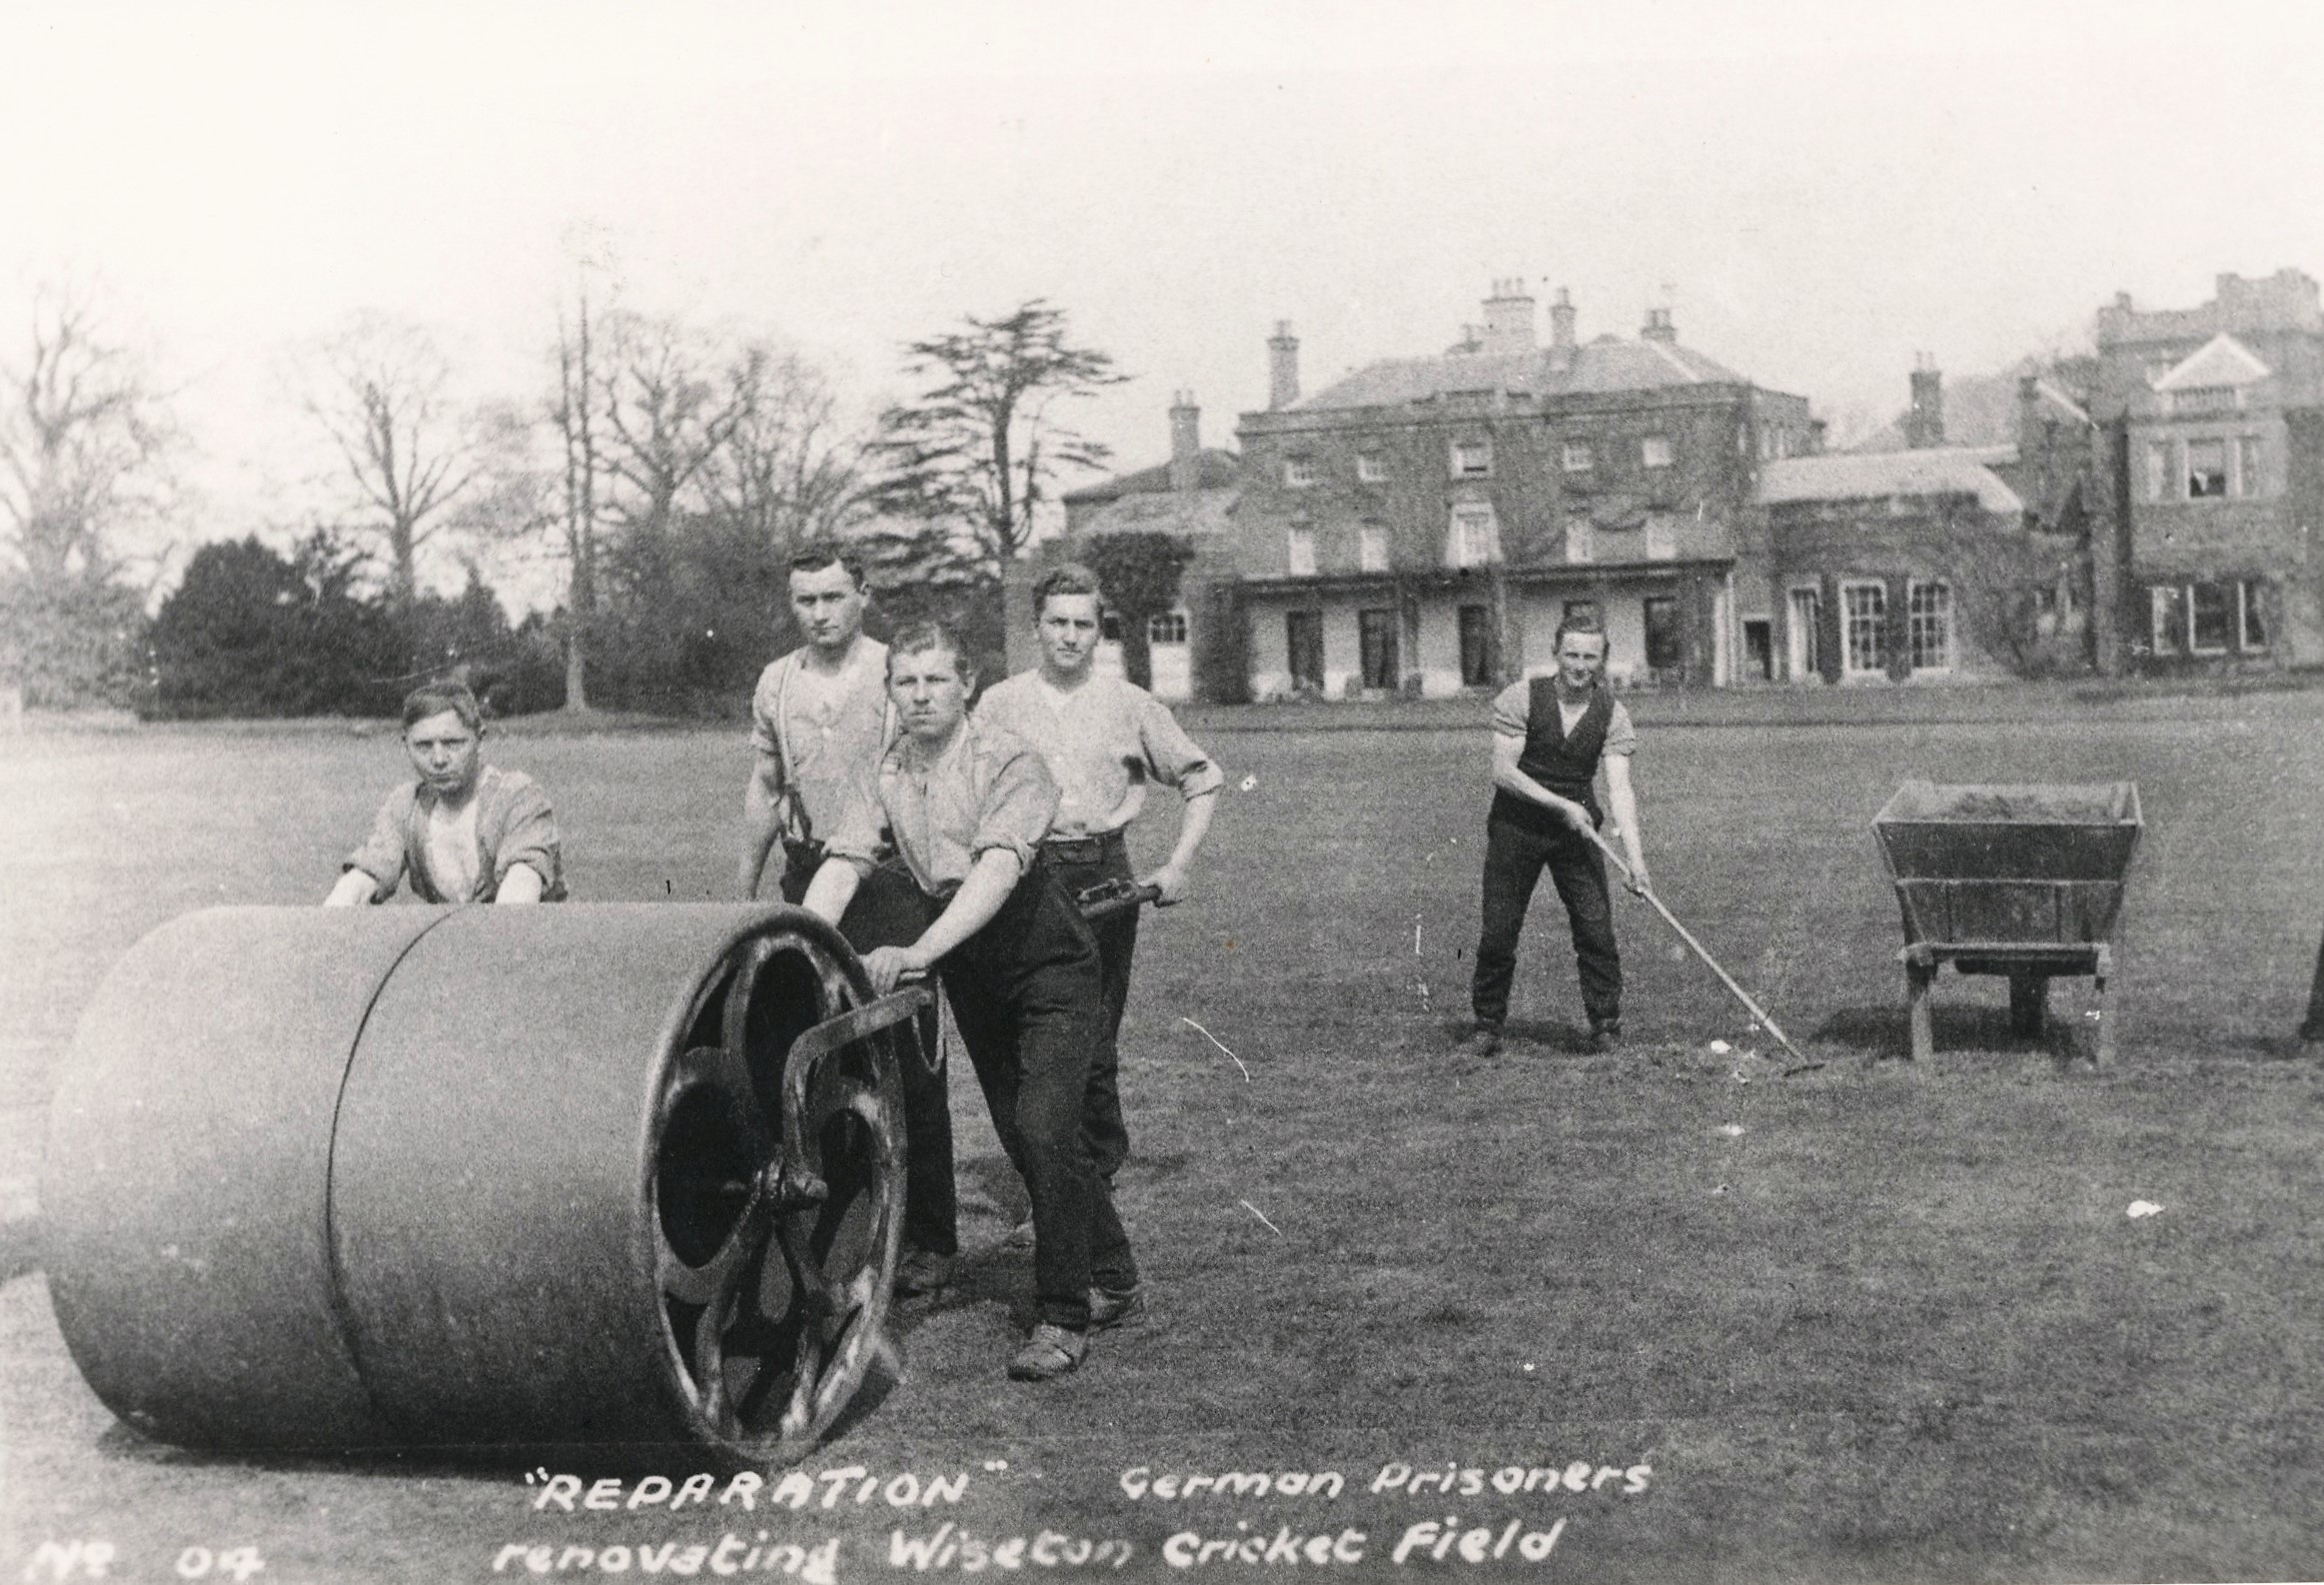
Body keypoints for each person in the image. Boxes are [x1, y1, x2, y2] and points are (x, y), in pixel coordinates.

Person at [801, 622, 1141, 1383]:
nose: (920, 697)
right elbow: (847, 860)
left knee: (1044, 1125)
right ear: (891, 692)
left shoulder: (1009, 760)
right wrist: (804, 936)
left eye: (935, 682)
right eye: (906, 683)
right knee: (1029, 1141)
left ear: (968, 687)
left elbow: (993, 873)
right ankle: (1115, 1274)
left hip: (1048, 960)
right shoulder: (885, 768)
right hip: (975, 970)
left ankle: (1062, 1315)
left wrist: (920, 952)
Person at [738, 543, 957, 1297]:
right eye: (806, 600)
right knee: (808, 1051)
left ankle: (931, 1239)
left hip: (891, 882)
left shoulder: (900, 674)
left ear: (864, 594)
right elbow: (765, 785)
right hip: (808, 874)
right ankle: (835, 1228)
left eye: (834, 597)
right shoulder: (778, 682)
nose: (820, 613)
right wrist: (746, 891)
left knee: (906, 1062)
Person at [974, 564, 1222, 1183]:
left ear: (1099, 631)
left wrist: (1178, 864)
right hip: (1021, 875)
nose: (1069, 636)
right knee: (1023, 1031)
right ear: (1036, 627)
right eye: (1057, 622)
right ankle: (1045, 1168)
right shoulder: (999, 705)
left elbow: (1202, 778)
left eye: (1083, 624)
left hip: (1101, 875)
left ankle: (1096, 1172)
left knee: (1095, 1032)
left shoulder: (1130, 703)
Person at [1462, 613, 1651, 1057]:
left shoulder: (1613, 713)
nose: (1580, 665)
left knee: (1596, 928)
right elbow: (1503, 773)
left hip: (1576, 835)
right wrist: (1561, 804)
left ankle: (1605, 1025)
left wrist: (1636, 859)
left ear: (1603, 660)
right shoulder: (1521, 698)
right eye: (1571, 654)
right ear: (1555, 654)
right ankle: (1488, 1024)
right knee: (1500, 931)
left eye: (1590, 656)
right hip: (1517, 827)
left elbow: (1621, 790)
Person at [328, 681, 567, 905]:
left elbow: (522, 884)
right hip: (452, 945)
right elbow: (368, 872)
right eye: (423, 746)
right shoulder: (406, 805)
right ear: (406, 744)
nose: (439, 759)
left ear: (479, 740)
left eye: (453, 743)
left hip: (527, 941)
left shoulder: (518, 796)